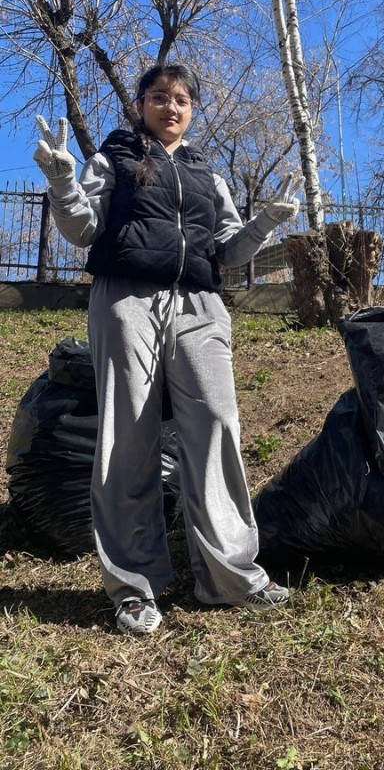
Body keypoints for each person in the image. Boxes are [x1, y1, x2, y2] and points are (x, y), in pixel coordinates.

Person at [33, 62, 301, 635]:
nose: (171, 107)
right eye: (159, 97)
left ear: (191, 109)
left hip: (200, 306)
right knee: (128, 434)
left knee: (217, 427)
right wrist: (62, 180)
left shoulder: (206, 171)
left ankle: (230, 576)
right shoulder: (116, 157)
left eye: (181, 99)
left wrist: (265, 224)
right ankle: (134, 585)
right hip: (127, 299)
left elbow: (229, 251)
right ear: (141, 104)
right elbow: (83, 230)